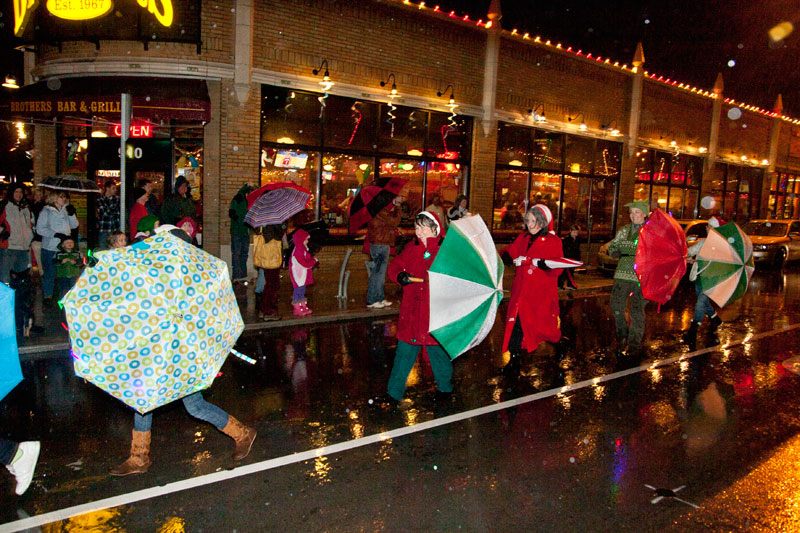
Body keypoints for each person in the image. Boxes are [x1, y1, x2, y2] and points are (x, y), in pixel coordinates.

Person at [385, 211, 453, 401]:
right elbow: (395, 266)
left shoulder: (446, 250)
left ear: (435, 229)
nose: (419, 231)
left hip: (434, 313)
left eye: (424, 227)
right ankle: (393, 393)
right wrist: (399, 276)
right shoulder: (410, 248)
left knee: (438, 353)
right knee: (403, 354)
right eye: (417, 227)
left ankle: (445, 389)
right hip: (412, 312)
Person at [499, 204, 564, 375]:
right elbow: (511, 251)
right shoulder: (523, 238)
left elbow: (558, 268)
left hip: (539, 294)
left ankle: (560, 343)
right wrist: (503, 256)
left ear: (542, 223)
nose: (530, 225)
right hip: (521, 293)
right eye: (528, 221)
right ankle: (514, 361)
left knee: (543, 328)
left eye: (534, 221)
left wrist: (544, 264)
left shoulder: (553, 241)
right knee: (516, 325)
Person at [608, 200, 649, 357]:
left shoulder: (650, 232)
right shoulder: (624, 231)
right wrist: (614, 252)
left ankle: (634, 343)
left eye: (637, 212)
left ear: (644, 214)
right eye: (631, 212)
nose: (633, 215)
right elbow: (613, 246)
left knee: (637, 311)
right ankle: (622, 335)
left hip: (641, 277)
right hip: (622, 274)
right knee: (616, 306)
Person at [683, 216, 724, 345]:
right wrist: (686, 257)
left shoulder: (721, 247)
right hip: (699, 278)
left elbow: (719, 263)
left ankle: (693, 330)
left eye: (713, 229)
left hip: (711, 280)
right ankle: (715, 318)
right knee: (704, 302)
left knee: (700, 303)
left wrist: (698, 260)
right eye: (709, 228)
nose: (710, 230)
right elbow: (690, 251)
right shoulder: (702, 243)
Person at [35, 191, 78, 305]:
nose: (63, 199)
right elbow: (40, 229)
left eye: (64, 197)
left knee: (64, 273)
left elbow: (74, 225)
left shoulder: (65, 210)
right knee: (50, 272)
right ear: (54, 198)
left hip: (64, 247)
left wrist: (72, 214)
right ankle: (48, 296)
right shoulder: (46, 211)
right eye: (61, 197)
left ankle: (64, 296)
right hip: (50, 246)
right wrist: (55, 234)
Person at [365, 198, 402, 309]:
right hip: (381, 244)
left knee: (379, 274)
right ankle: (372, 299)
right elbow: (395, 221)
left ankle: (379, 298)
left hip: (380, 243)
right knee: (378, 274)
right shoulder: (380, 212)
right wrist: (398, 206)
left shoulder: (376, 211)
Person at [0, 184, 34, 284]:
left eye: (21, 192)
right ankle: (4, 298)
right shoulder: (4, 205)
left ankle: (19, 298)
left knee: (21, 278)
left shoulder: (25, 208)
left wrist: (30, 235)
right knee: (5, 276)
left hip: (23, 247)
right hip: (9, 246)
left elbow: (30, 224)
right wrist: (3, 232)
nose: (19, 194)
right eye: (16, 192)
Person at [255, 224, 284, 321]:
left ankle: (264, 309)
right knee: (273, 284)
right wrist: (281, 228)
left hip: (268, 257)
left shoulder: (263, 225)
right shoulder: (271, 225)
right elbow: (277, 236)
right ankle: (266, 310)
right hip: (271, 258)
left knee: (270, 284)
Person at [289, 228, 317, 316]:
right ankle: (297, 307)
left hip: (302, 274)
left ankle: (302, 306)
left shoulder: (302, 249)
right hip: (299, 275)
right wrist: (313, 261)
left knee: (302, 290)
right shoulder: (298, 250)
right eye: (306, 239)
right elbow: (302, 263)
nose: (307, 241)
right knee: (298, 290)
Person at [229, 184, 252, 281]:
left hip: (242, 231)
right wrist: (241, 221)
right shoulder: (239, 199)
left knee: (241, 254)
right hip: (238, 231)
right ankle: (238, 276)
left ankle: (241, 276)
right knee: (239, 254)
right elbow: (232, 213)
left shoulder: (245, 200)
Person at [54, 234, 83, 299]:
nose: (70, 244)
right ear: (62, 245)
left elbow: (82, 262)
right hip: (62, 275)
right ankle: (63, 302)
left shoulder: (78, 253)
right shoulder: (58, 253)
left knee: (74, 289)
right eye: (67, 242)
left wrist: (76, 262)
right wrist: (61, 262)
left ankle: (74, 301)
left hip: (74, 274)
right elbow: (54, 262)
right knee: (63, 289)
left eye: (71, 242)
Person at [96, 181, 120, 250]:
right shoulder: (100, 200)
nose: (115, 190)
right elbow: (104, 212)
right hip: (104, 228)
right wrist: (113, 211)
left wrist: (110, 210)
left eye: (115, 188)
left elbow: (117, 211)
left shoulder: (117, 199)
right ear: (107, 188)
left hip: (115, 228)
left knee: (115, 248)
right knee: (103, 248)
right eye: (113, 188)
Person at [558, 224, 581, 290]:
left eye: (576, 232)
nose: (575, 234)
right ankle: (563, 284)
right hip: (567, 258)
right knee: (566, 272)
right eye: (574, 232)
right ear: (570, 231)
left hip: (572, 258)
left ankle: (565, 284)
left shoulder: (577, 240)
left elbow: (577, 250)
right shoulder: (566, 240)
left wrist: (578, 258)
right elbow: (564, 250)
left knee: (569, 272)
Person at [29, 188, 45, 278]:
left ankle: (41, 271)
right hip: (32, 233)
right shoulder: (30, 206)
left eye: (40, 195)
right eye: (36, 195)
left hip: (38, 235)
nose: (38, 197)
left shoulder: (42, 207)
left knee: (38, 253)